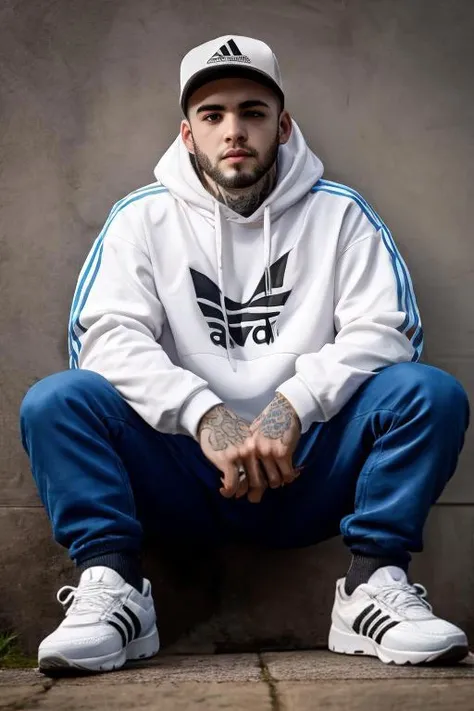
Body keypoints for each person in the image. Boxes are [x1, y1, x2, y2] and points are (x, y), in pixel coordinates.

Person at [20, 34, 470, 675]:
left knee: (429, 393)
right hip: (181, 478)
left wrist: (291, 406)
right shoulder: (140, 221)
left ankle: (373, 587)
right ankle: (114, 589)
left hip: (309, 473)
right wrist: (206, 416)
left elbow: (387, 333)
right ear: (186, 134)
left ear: (283, 125)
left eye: (253, 112)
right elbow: (105, 339)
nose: (234, 130)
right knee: (57, 402)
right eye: (213, 115)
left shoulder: (341, 217)